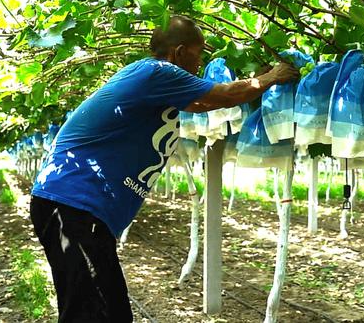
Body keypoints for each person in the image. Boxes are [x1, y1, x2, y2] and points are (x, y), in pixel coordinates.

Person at [29, 16, 299, 322]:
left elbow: (201, 104)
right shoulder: (158, 71)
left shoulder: (152, 78)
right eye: (197, 57)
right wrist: (273, 77)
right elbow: (221, 96)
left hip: (77, 206)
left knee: (108, 310)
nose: (200, 65)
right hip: (73, 203)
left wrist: (258, 81)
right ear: (179, 52)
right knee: (92, 312)